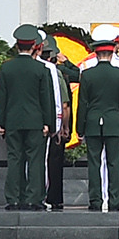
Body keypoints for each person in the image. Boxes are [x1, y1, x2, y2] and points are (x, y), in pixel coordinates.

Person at [0, 24, 57, 211]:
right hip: (35, 121)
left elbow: (2, 97)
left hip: (12, 120)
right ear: (34, 46)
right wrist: (49, 123)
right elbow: (46, 98)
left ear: (17, 45)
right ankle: (34, 198)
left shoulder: (7, 68)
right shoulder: (41, 69)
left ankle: (14, 198)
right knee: (35, 160)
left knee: (15, 159)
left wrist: (1, 122)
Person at [76, 25, 119, 211]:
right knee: (114, 163)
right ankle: (115, 200)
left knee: (94, 163)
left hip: (93, 123)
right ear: (111, 53)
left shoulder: (87, 74)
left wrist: (80, 129)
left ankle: (95, 200)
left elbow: (82, 103)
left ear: (96, 53)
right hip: (114, 123)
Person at [39, 37, 78, 211]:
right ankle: (53, 197)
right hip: (54, 126)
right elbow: (64, 104)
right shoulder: (57, 72)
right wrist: (65, 127)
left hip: (39, 124)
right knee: (53, 164)